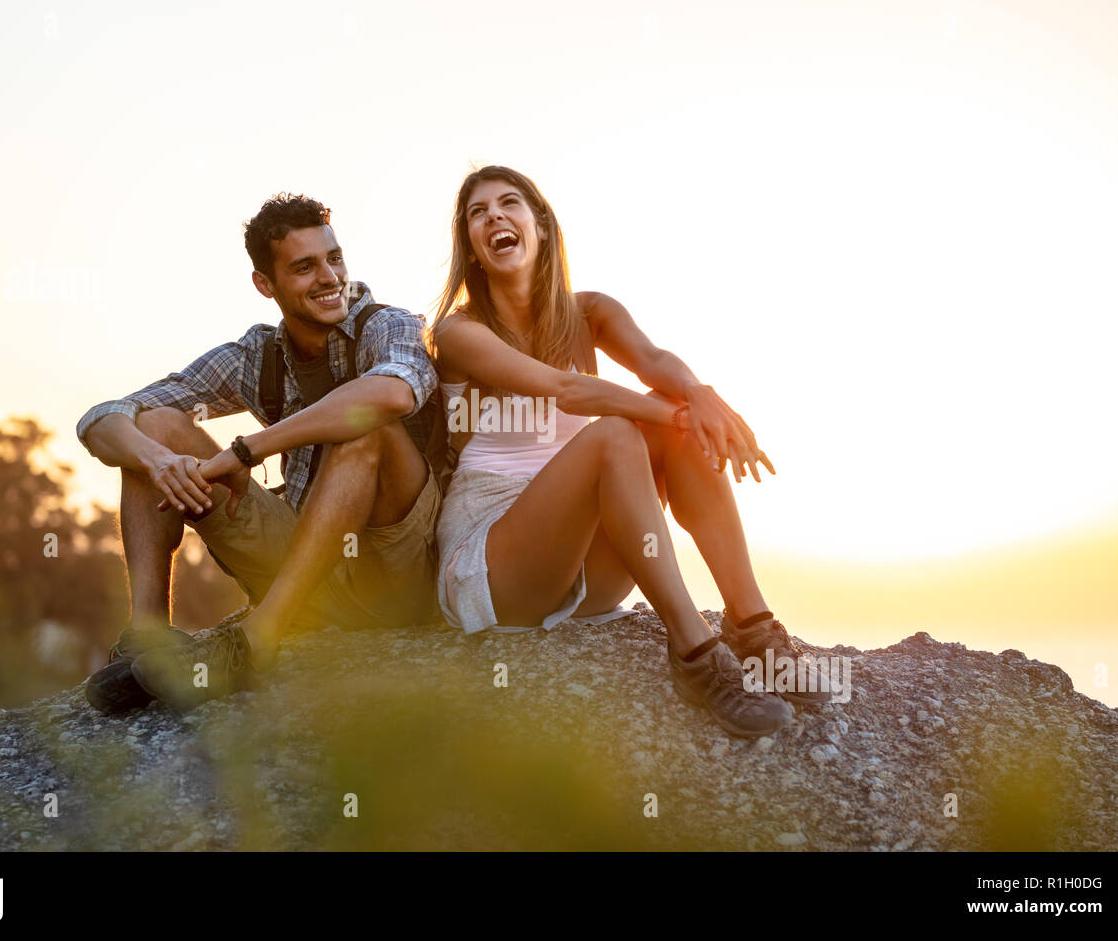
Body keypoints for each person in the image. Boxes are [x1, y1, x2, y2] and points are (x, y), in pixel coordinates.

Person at [427, 166, 832, 738]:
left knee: (667, 421)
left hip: (584, 564)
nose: (494, 215)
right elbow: (569, 390)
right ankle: (696, 656)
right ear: (471, 248)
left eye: (509, 203)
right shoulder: (460, 332)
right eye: (478, 212)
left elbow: (654, 359)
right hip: (495, 562)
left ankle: (752, 628)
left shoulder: (589, 312)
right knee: (623, 429)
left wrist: (696, 394)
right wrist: (681, 413)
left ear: (540, 225)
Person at [76, 193, 440, 713]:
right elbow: (104, 418)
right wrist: (160, 461)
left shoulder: (389, 326)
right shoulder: (260, 355)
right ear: (264, 284)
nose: (330, 277)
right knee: (154, 428)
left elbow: (392, 394)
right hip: (303, 568)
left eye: (334, 258)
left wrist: (246, 451)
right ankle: (147, 639)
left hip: (394, 574)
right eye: (305, 266)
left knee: (367, 429)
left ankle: (256, 642)